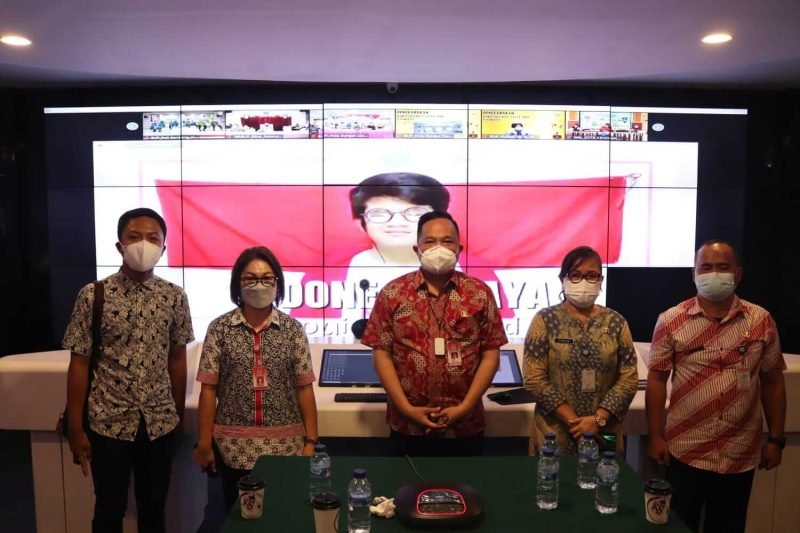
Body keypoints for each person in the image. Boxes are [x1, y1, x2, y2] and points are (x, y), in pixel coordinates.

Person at [63, 207, 194, 533]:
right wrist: (76, 428)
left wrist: (177, 417)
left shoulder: (174, 296)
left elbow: (178, 358)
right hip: (107, 421)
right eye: (134, 237)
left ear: (163, 247)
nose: (143, 244)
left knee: (154, 507)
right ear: (120, 245)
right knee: (109, 508)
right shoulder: (93, 295)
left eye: (153, 238)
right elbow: (79, 362)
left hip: (159, 423)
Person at [646, 240, 786, 533]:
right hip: (685, 448)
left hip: (740, 452)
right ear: (694, 273)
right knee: (679, 526)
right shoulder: (671, 320)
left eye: (723, 267)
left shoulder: (761, 321)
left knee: (729, 527)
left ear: (738, 273)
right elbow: (657, 380)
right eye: (706, 267)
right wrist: (655, 436)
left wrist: (775, 440)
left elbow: (773, 381)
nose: (714, 274)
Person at [361, 211, 508, 456]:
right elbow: (382, 354)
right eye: (429, 241)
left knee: (468, 482)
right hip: (407, 425)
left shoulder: (479, 293)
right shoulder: (393, 293)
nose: (438, 248)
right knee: (403, 482)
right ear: (417, 249)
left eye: (447, 241)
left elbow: (491, 354)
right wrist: (406, 409)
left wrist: (465, 407)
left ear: (459, 249)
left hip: (466, 425)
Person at [193, 246, 319, 511]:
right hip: (232, 449)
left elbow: (304, 389)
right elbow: (208, 390)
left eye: (267, 278)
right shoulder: (219, 329)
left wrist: (311, 442)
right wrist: (204, 443)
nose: (259, 285)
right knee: (239, 519)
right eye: (250, 278)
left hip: (286, 447)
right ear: (237, 283)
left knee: (282, 515)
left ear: (277, 283)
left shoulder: (293, 330)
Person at [523, 246, 638, 455]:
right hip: (554, 434)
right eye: (576, 275)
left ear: (601, 280)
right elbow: (534, 379)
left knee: (605, 475)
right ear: (563, 279)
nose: (584, 281)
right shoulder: (545, 320)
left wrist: (597, 419)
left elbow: (628, 379)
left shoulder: (616, 322)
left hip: (604, 432)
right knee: (552, 476)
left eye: (592, 275)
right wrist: (575, 422)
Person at [343, 172, 451, 324]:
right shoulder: (356, 264)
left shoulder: (460, 266)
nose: (397, 223)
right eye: (379, 213)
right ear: (360, 221)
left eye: (415, 213)